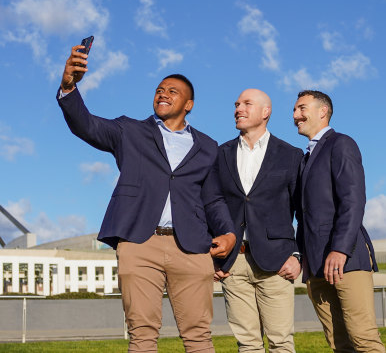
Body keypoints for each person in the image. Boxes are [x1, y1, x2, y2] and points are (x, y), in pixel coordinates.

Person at [56, 44, 236, 352]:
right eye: (159, 89)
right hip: (140, 243)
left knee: (199, 337)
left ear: (189, 104)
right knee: (141, 336)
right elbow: (86, 125)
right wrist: (68, 87)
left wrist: (229, 233)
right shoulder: (129, 130)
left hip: (192, 247)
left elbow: (213, 198)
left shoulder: (207, 146)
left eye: (173, 91)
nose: (163, 94)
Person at [292, 90, 385, 352]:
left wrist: (340, 249)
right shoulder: (305, 158)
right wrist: (304, 257)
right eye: (295, 110)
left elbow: (353, 200)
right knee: (338, 343)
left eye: (301, 108)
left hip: (346, 259)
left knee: (363, 338)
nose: (295, 115)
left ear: (323, 111)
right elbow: (304, 214)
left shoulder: (341, 143)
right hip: (316, 264)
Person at [214, 88, 303, 352]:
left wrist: (297, 255)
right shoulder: (220, 154)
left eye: (246, 103)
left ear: (266, 112)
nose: (238, 109)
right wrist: (214, 257)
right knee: (247, 344)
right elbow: (211, 206)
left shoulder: (291, 155)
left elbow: (303, 212)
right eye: (236, 103)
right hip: (233, 263)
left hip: (277, 262)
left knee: (281, 342)